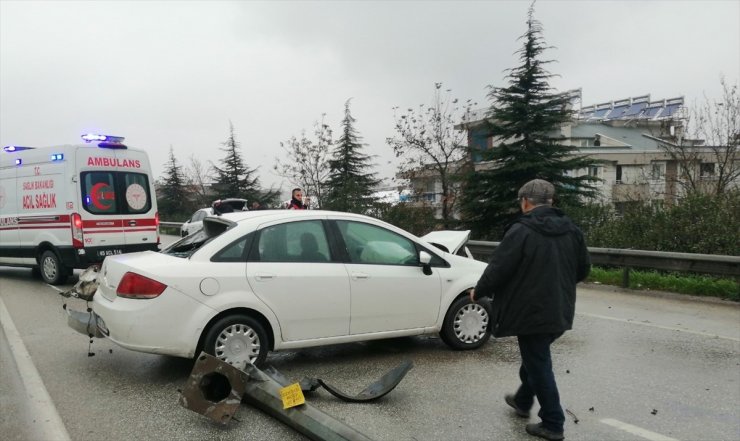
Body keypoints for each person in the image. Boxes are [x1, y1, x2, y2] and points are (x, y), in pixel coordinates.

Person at [469, 179, 590, 441]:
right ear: (551, 202)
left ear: (525, 202)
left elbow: (499, 268)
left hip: (530, 311)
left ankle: (553, 423)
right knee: (536, 358)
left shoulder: (521, 231)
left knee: (538, 363)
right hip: (560, 309)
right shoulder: (573, 231)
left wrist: (478, 292)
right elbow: (583, 271)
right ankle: (523, 400)